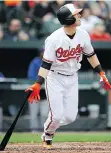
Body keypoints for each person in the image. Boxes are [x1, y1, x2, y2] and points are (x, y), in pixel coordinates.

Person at [25, 3, 111, 149]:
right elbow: (46, 64)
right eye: (76, 14)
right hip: (55, 77)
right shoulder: (53, 39)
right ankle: (48, 134)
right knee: (57, 115)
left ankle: (50, 125)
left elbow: (91, 55)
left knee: (70, 117)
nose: (79, 16)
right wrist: (38, 83)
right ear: (68, 18)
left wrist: (101, 73)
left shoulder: (83, 34)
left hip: (72, 77)